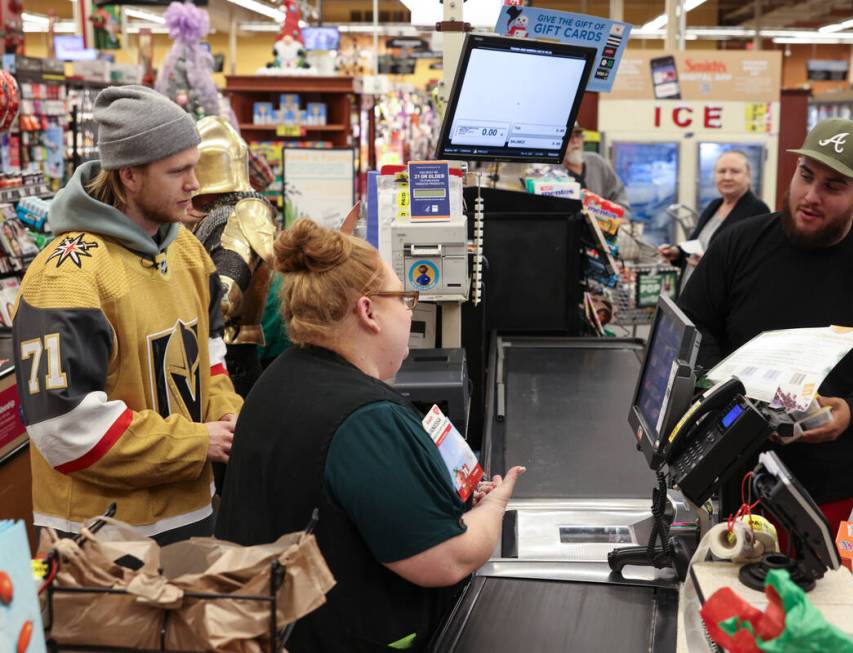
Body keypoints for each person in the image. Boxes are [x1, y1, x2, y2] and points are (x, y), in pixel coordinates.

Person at [215, 219, 525, 652]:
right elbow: (444, 560)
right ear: (367, 311)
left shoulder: (280, 377)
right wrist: (495, 506)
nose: (410, 311)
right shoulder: (366, 418)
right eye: (405, 299)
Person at [677, 118, 853, 533]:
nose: (810, 196)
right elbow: (693, 325)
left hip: (833, 490)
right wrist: (721, 389)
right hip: (729, 473)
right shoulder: (739, 245)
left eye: (834, 186)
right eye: (805, 176)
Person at [12, 86, 243, 544]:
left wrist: (229, 416)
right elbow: (66, 430)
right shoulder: (65, 275)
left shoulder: (188, 252)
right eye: (178, 171)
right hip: (101, 539)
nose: (195, 184)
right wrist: (198, 442)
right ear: (130, 177)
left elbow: (210, 361)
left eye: (193, 167)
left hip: (191, 513)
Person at [190, 116, 278, 398]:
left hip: (231, 356)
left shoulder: (241, 215)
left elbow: (226, 296)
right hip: (217, 352)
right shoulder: (217, 214)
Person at [659, 150, 769, 272]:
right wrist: (676, 253)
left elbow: (754, 262)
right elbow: (696, 244)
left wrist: (711, 265)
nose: (727, 177)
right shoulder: (714, 205)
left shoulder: (758, 210)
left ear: (748, 176)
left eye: (735, 171)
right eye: (722, 171)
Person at [563, 123, 631, 216]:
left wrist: (621, 216)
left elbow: (619, 194)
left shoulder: (596, 162)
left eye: (578, 136)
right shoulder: (553, 172)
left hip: (603, 226)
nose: (575, 141)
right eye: (569, 137)